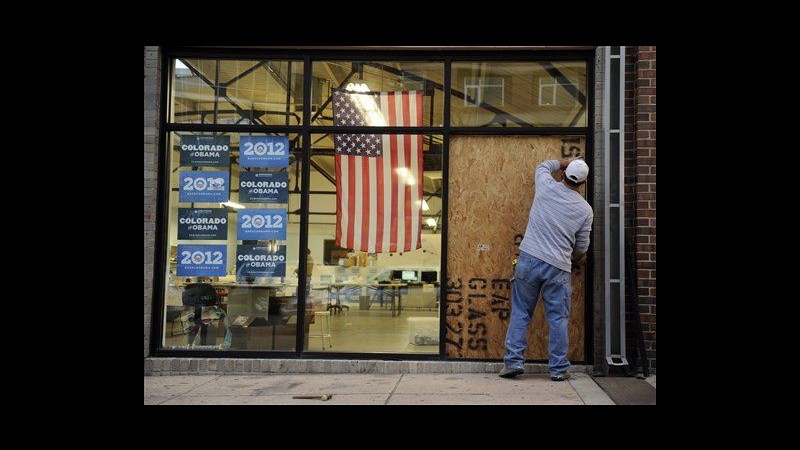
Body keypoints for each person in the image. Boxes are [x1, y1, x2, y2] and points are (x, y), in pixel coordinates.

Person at [499, 158, 593, 381]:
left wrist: (564, 162)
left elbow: (542, 166)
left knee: (521, 312)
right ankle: (559, 369)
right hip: (558, 267)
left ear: (564, 174)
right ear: (584, 182)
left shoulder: (546, 185)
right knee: (558, 319)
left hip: (529, 259)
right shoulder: (585, 210)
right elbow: (580, 249)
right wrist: (577, 257)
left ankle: (513, 363)